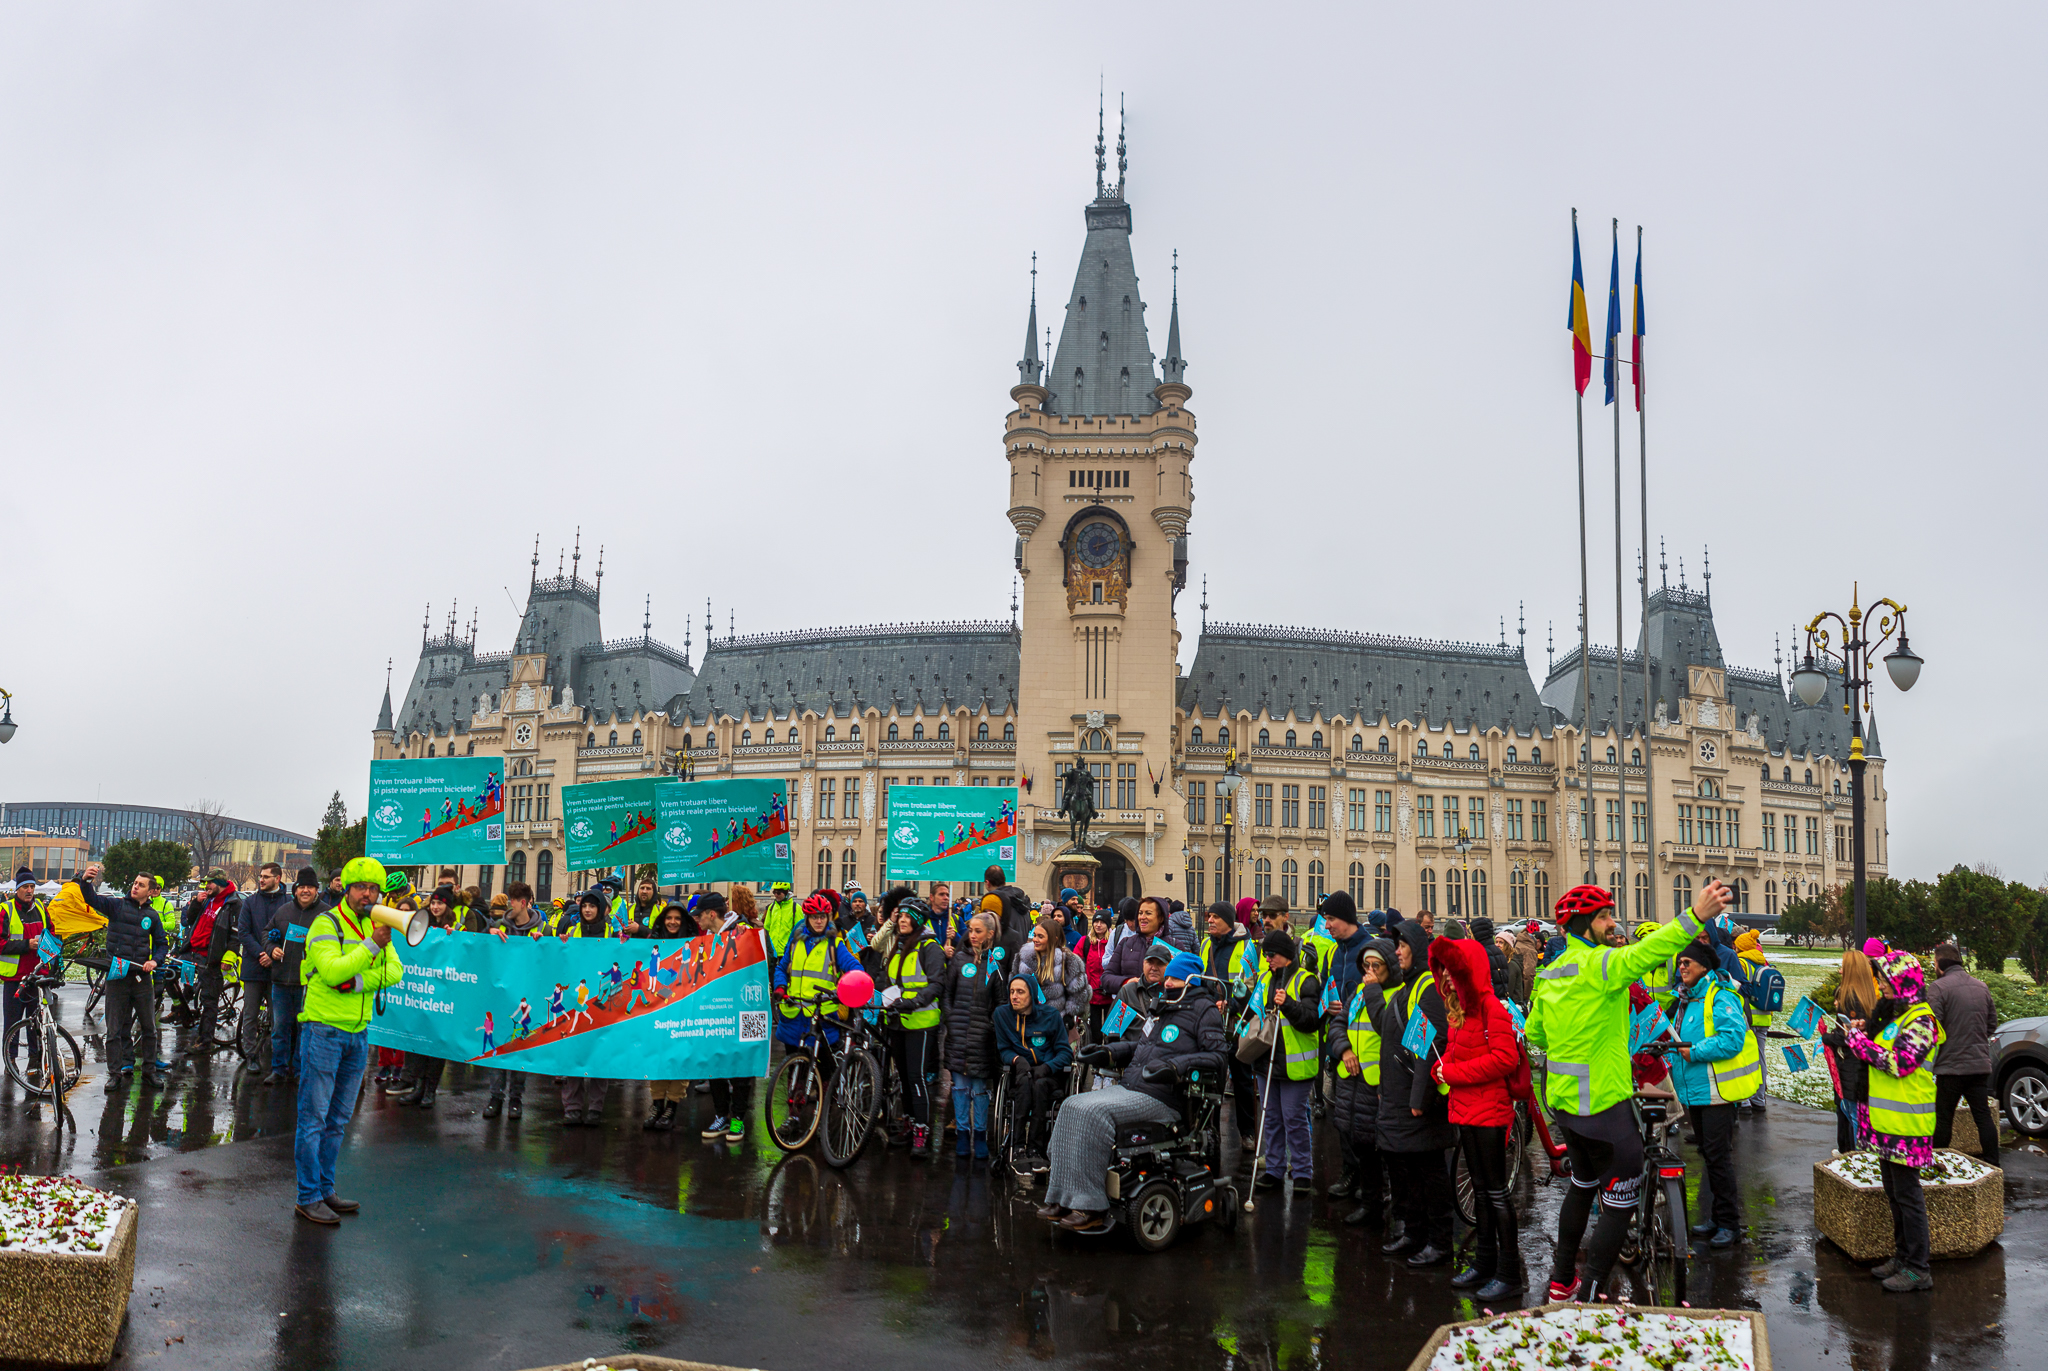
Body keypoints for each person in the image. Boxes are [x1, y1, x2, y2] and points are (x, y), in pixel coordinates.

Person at [1526, 879, 1722, 1303]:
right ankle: (1590, 1294)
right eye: (1603, 917)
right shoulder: (1600, 965)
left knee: (1581, 1187)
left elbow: (1535, 1031)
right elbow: (1646, 953)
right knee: (1619, 1205)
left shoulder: (1550, 972)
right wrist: (1697, 916)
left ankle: (1562, 1282)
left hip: (1566, 1107)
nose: (1612, 923)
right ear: (1581, 925)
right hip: (1604, 1105)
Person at [1039, 951, 1227, 1231]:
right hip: (1135, 1087)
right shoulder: (1164, 1007)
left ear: (1191, 980)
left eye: (1175, 978)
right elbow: (1139, 1047)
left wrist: (1176, 1066)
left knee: (1093, 1113)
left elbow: (1218, 1057)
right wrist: (1106, 1051)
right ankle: (1061, 1197)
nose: (1168, 982)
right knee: (1071, 1106)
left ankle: (1090, 1206)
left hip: (1165, 1098)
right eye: (1169, 977)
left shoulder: (1204, 1010)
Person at [295, 856, 405, 1225]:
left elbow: (396, 971)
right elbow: (331, 970)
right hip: (323, 1029)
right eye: (362, 888)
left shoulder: (375, 924)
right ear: (347, 888)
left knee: (338, 1119)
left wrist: (357, 983)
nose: (369, 895)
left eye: (375, 889)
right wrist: (370, 948)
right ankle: (308, 1195)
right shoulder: (326, 923)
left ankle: (326, 1189)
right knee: (314, 1118)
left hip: (358, 1033)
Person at [1841, 950, 1946, 1293]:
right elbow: (1883, 1047)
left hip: (1908, 1126)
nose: (1882, 985)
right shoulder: (1898, 1016)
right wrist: (1863, 1031)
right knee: (1894, 1194)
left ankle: (1918, 1268)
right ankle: (1902, 1257)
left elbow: (1899, 1063)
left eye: (1886, 980)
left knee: (1908, 1196)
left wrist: (1859, 1044)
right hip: (1887, 1124)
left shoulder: (1922, 1020)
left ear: (1904, 982)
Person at [1430, 932, 1526, 1299]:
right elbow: (1456, 1053)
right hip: (1468, 1110)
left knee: (1495, 1192)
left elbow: (1505, 1059)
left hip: (1488, 1112)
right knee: (1484, 1195)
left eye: (1454, 972)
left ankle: (1509, 1271)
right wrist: (1442, 1070)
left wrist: (1451, 1073)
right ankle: (1485, 1262)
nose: (1448, 979)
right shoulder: (1462, 1010)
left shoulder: (1491, 1008)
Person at [1665, 936, 1761, 1248]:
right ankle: (1717, 1218)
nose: (1682, 968)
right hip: (1694, 1092)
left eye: (1687, 962)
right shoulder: (1685, 998)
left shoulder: (1720, 996)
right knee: (1708, 1155)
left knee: (1719, 1158)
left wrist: (1695, 1050)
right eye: (1680, 963)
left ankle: (1730, 1224)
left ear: (1704, 967)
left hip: (1716, 1092)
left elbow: (1733, 1038)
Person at [1372, 917, 1455, 1265]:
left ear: (1417, 948)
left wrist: (1419, 1099)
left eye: (1402, 945)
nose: (1398, 951)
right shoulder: (1410, 987)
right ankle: (1414, 1234)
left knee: (1429, 1172)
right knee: (1409, 1172)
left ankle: (1439, 1242)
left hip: (1416, 1103)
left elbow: (1429, 1047)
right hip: (1399, 1096)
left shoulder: (1426, 989)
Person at [64, 863, 169, 1086]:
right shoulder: (116, 906)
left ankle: (149, 1071)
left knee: (149, 1028)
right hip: (117, 977)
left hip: (142, 979)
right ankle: (115, 1074)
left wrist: (154, 961)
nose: (135, 887)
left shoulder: (153, 916)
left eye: (141, 885)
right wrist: (85, 880)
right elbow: (91, 899)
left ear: (150, 891)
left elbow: (162, 944)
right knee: (114, 1029)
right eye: (134, 883)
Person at [1250, 930, 1322, 1192]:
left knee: (1293, 1118)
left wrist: (1289, 1004)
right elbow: (1253, 1011)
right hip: (1266, 1060)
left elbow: (1312, 1021)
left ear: (1285, 955)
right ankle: (1274, 1168)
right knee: (1271, 1118)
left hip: (1295, 1065)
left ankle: (1303, 1170)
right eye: (1264, 954)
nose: (1267, 958)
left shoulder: (1307, 980)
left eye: (1271, 954)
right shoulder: (1264, 980)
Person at [876, 889, 947, 1156]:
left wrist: (914, 1001)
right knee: (904, 1077)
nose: (902, 920)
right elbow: (890, 980)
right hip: (897, 1021)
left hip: (920, 1021)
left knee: (917, 1078)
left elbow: (936, 984)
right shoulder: (899, 944)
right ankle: (907, 1122)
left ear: (918, 920)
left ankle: (922, 1131)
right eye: (901, 915)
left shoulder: (930, 947)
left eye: (907, 916)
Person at [1328, 939, 1391, 1226]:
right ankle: (1369, 1203)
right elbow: (1338, 1024)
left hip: (1378, 1084)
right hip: (1352, 1081)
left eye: (1375, 966)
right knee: (1361, 1144)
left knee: (1381, 1150)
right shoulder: (1358, 994)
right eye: (1366, 965)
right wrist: (1344, 1050)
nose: (1369, 971)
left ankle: (1383, 1202)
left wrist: (1374, 990)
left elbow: (1388, 1029)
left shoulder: (1393, 995)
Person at [1925, 942, 1999, 1169]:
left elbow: (1930, 1026)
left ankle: (1938, 1160)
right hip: (1978, 1065)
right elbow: (1992, 1023)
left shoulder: (1937, 988)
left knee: (1943, 1117)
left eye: (1934, 963)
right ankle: (1994, 1163)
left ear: (1939, 964)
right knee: (1983, 1116)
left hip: (1950, 1067)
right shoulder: (1981, 987)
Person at [995, 968, 1074, 1173]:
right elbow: (1003, 1049)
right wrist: (1016, 1059)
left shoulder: (1050, 1016)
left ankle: (1036, 1149)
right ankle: (1018, 1146)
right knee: (1024, 1083)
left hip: (1048, 1075)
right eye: (1012, 991)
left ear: (1031, 994)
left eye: (1020, 992)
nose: (1014, 996)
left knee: (1038, 1085)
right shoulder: (1002, 1015)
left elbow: (1065, 1053)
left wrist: (1048, 1067)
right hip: (1021, 1072)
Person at [942, 912, 1006, 1159]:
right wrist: (951, 1017)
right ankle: (962, 1132)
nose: (972, 935)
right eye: (970, 930)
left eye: (978, 931)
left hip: (982, 1037)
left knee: (979, 1088)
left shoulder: (995, 965)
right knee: (959, 1087)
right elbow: (948, 994)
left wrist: (990, 1026)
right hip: (958, 1033)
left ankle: (980, 1134)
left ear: (990, 934)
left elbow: (1000, 1002)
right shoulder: (959, 960)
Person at [262, 869, 324, 1084]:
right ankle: (278, 1069)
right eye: (301, 887)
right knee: (280, 1028)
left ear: (317, 890)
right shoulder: (283, 911)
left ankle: (299, 1071)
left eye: (310, 887)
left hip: (309, 984)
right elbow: (267, 933)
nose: (305, 890)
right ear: (295, 890)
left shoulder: (326, 914)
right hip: (280, 981)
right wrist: (271, 948)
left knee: (304, 1030)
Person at [636, 902, 694, 1131]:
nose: (672, 922)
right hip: (658, 1008)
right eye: (668, 917)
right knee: (657, 1056)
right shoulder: (653, 941)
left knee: (678, 1056)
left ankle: (672, 1106)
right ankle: (658, 1104)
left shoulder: (693, 942)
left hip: (683, 1009)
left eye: (677, 918)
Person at [234, 863, 292, 1071]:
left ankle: (278, 1057)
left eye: (266, 876)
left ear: (278, 878)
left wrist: (273, 955)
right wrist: (262, 953)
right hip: (253, 966)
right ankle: (251, 1055)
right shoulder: (250, 902)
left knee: (279, 1015)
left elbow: (291, 934)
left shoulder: (288, 903)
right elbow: (244, 933)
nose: (261, 880)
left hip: (279, 968)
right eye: (260, 876)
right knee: (250, 1013)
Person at [1825, 948, 1882, 1154]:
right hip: (1863, 1060)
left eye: (1843, 966)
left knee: (1852, 1112)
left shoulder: (1849, 996)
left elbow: (1846, 1035)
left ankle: (1861, 1157)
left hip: (1850, 1062)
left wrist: (1827, 1038)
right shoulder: (1870, 995)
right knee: (1850, 1109)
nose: (1840, 970)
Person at [182, 871, 240, 1051]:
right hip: (192, 953)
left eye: (209, 883)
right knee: (176, 980)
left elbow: (236, 933)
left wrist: (230, 955)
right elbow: (189, 920)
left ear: (219, 883)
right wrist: (196, 903)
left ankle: (204, 1041)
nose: (205, 887)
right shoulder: (207, 899)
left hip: (211, 958)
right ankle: (179, 1011)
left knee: (209, 1000)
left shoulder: (234, 903)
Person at [2, 870, 48, 1078]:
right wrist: (25, 945)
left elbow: (52, 934)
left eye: (32, 887)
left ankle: (35, 1059)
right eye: (25, 887)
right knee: (13, 1022)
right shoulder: (5, 911)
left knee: (36, 1022)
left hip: (37, 976)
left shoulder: (40, 908)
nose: (29, 891)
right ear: (17, 889)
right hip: (15, 978)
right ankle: (10, 1060)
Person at [1730, 928, 1773, 1114]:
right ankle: (1759, 1098)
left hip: (1748, 1016)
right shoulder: (1763, 962)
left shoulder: (1741, 962)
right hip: (1765, 1015)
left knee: (1746, 1058)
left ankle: (1745, 1100)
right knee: (1761, 1057)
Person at [1019, 916, 1087, 1029]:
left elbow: (1079, 993)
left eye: (1040, 936)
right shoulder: (1024, 958)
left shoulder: (1069, 960)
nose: (1035, 939)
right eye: (1034, 935)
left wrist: (1069, 1015)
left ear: (1054, 939)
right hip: (1029, 1021)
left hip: (1056, 1023)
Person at [1099, 897, 1173, 1000]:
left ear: (1161, 918)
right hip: (1132, 1008)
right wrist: (1126, 982)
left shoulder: (1174, 945)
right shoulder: (1125, 943)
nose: (1142, 917)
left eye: (1148, 913)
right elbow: (1106, 978)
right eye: (1140, 913)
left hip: (1162, 1009)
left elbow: (1183, 981)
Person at [1076, 912, 1114, 1043]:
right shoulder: (1085, 941)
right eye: (1096, 922)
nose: (1098, 925)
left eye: (1102, 922)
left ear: (1108, 925)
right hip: (1092, 994)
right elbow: (1075, 962)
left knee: (1112, 1034)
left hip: (1110, 994)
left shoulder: (1113, 942)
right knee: (1095, 1033)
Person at [762, 880, 799, 958]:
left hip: (787, 952)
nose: (776, 895)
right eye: (774, 892)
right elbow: (766, 928)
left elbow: (799, 931)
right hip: (772, 952)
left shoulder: (795, 908)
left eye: (778, 893)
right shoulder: (771, 907)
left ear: (786, 892)